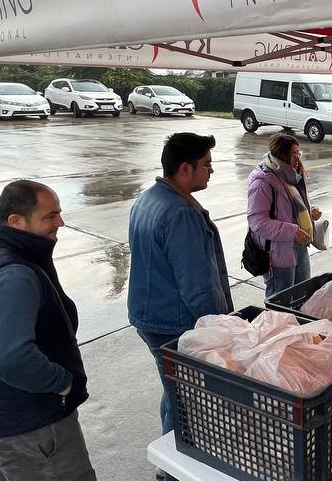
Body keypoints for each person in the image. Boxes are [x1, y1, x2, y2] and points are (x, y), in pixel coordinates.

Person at [0, 180, 96, 481]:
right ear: (16, 222)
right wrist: (64, 383)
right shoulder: (12, 275)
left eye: (59, 213)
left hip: (10, 426)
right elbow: (8, 357)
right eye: (50, 216)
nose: (61, 222)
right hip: (35, 433)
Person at [129, 134, 231, 471]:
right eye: (206, 165)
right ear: (185, 168)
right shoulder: (179, 213)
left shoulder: (148, 198)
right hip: (174, 321)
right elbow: (197, 286)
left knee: (172, 386)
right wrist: (219, 331)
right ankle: (175, 468)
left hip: (150, 315)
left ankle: (167, 459)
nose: (211, 171)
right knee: (185, 399)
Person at [247, 134, 321, 297]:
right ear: (282, 154)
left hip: (299, 245)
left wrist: (310, 211)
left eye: (298, 153)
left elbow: (291, 207)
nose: (297, 157)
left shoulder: (291, 174)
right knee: (280, 302)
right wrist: (293, 231)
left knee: (303, 294)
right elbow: (257, 222)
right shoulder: (262, 181)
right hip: (277, 253)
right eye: (293, 153)